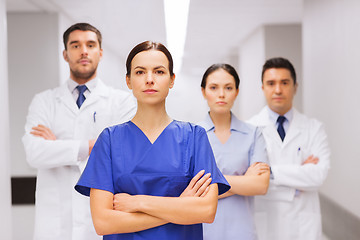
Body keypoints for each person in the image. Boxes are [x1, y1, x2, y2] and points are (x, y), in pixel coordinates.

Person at [75, 41, 230, 240]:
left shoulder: (194, 137)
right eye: (140, 72)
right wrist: (180, 205)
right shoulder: (110, 141)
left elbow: (206, 211)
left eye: (159, 72)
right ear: (128, 81)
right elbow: (103, 223)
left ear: (171, 80)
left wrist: (138, 203)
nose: (149, 79)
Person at [22, 23, 137, 240]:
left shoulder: (122, 102)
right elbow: (34, 153)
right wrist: (91, 146)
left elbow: (121, 155)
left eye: (90, 45)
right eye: (75, 45)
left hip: (99, 221)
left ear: (100, 53)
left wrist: (57, 147)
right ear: (65, 54)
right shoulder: (44, 101)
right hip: (55, 224)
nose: (83, 51)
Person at [247, 57, 330, 240]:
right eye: (271, 83)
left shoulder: (314, 128)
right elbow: (249, 180)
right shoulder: (249, 130)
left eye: (284, 83)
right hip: (266, 223)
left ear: (295, 87)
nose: (278, 89)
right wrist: (300, 174)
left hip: (304, 226)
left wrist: (270, 172)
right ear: (263, 88)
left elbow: (318, 175)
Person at [198, 64, 270, 240]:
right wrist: (245, 181)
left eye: (228, 88)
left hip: (242, 232)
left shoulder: (253, 134)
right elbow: (192, 193)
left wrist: (212, 182)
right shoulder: (193, 135)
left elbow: (261, 185)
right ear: (203, 91)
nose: (221, 94)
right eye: (214, 87)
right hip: (203, 232)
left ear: (236, 92)